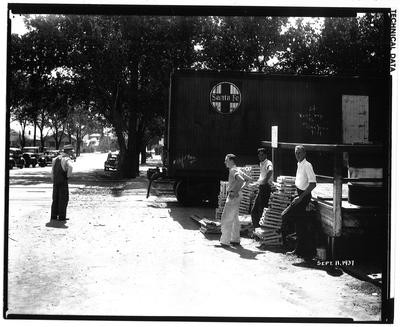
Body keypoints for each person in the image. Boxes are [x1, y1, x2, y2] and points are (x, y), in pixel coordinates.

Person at [281, 145, 317, 260]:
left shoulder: (307, 165)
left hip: (303, 197)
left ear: (304, 153)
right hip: (299, 194)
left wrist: (300, 197)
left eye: (300, 153)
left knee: (285, 215)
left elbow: (313, 184)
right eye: (296, 153)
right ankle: (301, 250)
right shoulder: (299, 164)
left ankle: (293, 246)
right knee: (299, 224)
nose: (297, 155)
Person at [219, 154, 250, 247]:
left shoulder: (233, 170)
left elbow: (241, 180)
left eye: (226, 160)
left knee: (226, 218)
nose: (225, 162)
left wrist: (235, 191)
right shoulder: (238, 169)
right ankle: (235, 239)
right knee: (235, 219)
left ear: (231, 161)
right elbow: (248, 179)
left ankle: (224, 241)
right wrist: (240, 190)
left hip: (233, 195)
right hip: (238, 195)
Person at [249, 148, 273, 228]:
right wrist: (256, 183)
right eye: (259, 155)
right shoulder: (261, 163)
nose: (260, 156)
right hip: (261, 188)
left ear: (265, 155)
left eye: (262, 155)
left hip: (266, 188)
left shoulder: (268, 162)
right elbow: (261, 177)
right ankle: (257, 230)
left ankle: (260, 231)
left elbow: (270, 170)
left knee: (261, 211)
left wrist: (265, 181)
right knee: (254, 211)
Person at [50, 146, 74, 221]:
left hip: (55, 181)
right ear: (68, 151)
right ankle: (61, 216)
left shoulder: (56, 158)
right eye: (71, 151)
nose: (72, 152)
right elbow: (70, 167)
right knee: (63, 199)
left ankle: (53, 216)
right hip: (63, 180)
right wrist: (68, 176)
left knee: (55, 198)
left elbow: (52, 171)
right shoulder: (67, 159)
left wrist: (53, 179)